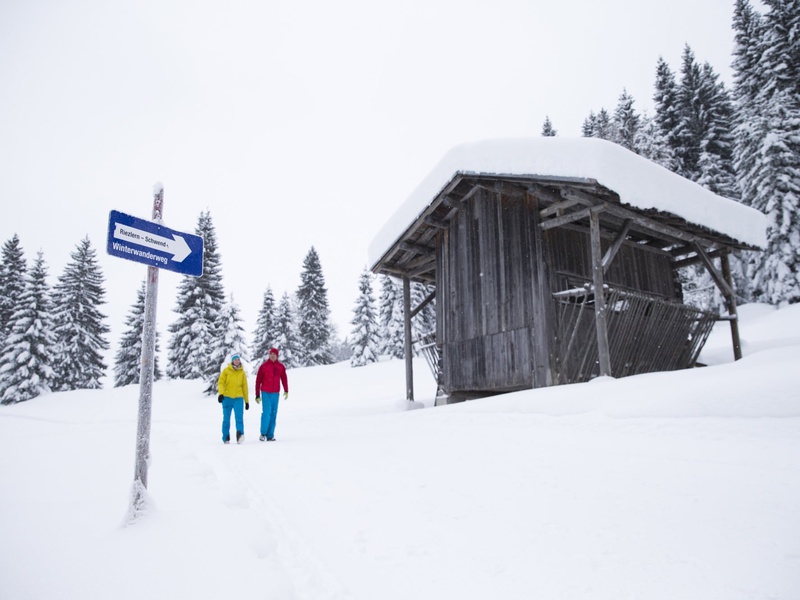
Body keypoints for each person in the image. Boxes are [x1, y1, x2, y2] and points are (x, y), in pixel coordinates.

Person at [254, 347, 288, 441]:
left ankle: (270, 435)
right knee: (266, 413)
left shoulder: (280, 366)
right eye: (271, 354)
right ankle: (263, 433)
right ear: (269, 355)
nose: (273, 356)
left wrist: (286, 390)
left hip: (275, 393)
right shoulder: (264, 366)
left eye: (274, 354)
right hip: (265, 392)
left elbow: (284, 378)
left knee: (273, 413)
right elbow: (258, 381)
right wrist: (257, 395)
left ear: (277, 356)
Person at [217, 354, 249, 444]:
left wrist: (246, 401)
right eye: (235, 360)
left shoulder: (242, 372)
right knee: (226, 419)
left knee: (239, 418)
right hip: (227, 398)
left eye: (238, 359)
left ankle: (240, 435)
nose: (237, 361)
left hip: (238, 398)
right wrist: (221, 393)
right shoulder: (226, 371)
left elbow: (245, 387)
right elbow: (221, 383)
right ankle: (226, 437)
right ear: (232, 361)